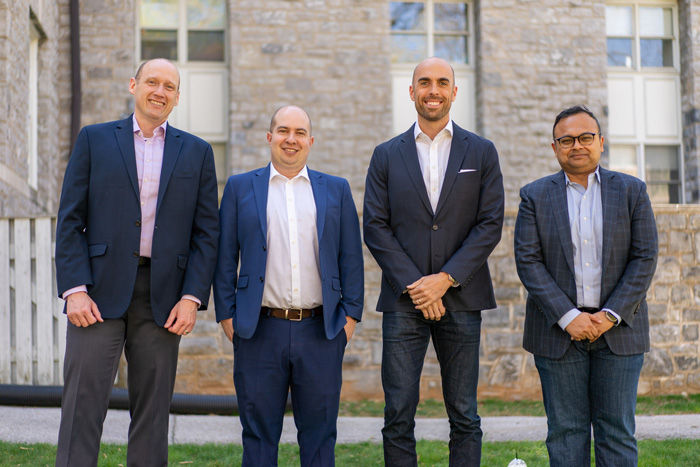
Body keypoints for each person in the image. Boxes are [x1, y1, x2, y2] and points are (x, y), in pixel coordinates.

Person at [54, 58, 219, 467]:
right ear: (134, 85)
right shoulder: (94, 140)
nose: (159, 91)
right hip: (96, 291)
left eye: (169, 86)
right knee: (81, 407)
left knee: (152, 415)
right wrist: (74, 289)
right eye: (152, 82)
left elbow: (206, 234)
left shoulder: (197, 152)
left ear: (178, 97)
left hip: (163, 298)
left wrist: (192, 297)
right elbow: (70, 219)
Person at [363, 57, 504, 467]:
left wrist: (445, 279)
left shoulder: (482, 151)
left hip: (462, 297)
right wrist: (417, 286)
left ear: (454, 92)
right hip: (404, 302)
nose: (433, 90)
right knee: (397, 414)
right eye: (424, 82)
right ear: (411, 91)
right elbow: (375, 226)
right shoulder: (386, 154)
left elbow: (489, 224)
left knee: (464, 414)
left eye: (443, 82)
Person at [213, 105, 364, 467]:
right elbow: (222, 258)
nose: (290, 139)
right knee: (259, 436)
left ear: (311, 141)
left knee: (320, 435)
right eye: (283, 131)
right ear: (269, 138)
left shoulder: (337, 190)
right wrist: (227, 316)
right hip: (259, 330)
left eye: (299, 133)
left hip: (321, 331)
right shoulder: (239, 188)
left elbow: (351, 259)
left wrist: (350, 318)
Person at [514, 105, 658, 467]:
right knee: (565, 432)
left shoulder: (632, 191)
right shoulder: (534, 195)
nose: (576, 145)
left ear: (601, 142)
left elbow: (644, 258)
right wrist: (568, 317)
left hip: (619, 331)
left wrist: (610, 314)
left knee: (617, 431)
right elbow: (528, 263)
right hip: (558, 334)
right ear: (555, 147)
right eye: (566, 139)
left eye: (585, 137)